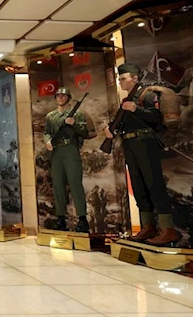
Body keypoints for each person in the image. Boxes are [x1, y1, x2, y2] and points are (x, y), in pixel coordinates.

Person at [103, 64, 178, 245]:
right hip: (130, 144)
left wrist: (136, 109)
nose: (120, 82)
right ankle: (147, 226)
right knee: (138, 186)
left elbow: (156, 117)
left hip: (145, 143)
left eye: (123, 78)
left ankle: (167, 228)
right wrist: (111, 130)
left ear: (135, 78)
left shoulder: (147, 95)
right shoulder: (127, 100)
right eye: (120, 79)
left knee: (154, 184)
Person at [43, 87, 90, 232]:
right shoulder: (51, 116)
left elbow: (84, 131)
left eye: (63, 96)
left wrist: (73, 124)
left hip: (70, 149)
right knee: (58, 185)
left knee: (75, 183)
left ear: (68, 98)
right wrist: (47, 141)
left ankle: (82, 218)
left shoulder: (77, 113)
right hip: (56, 151)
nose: (60, 98)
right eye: (58, 96)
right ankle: (60, 218)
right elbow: (47, 132)